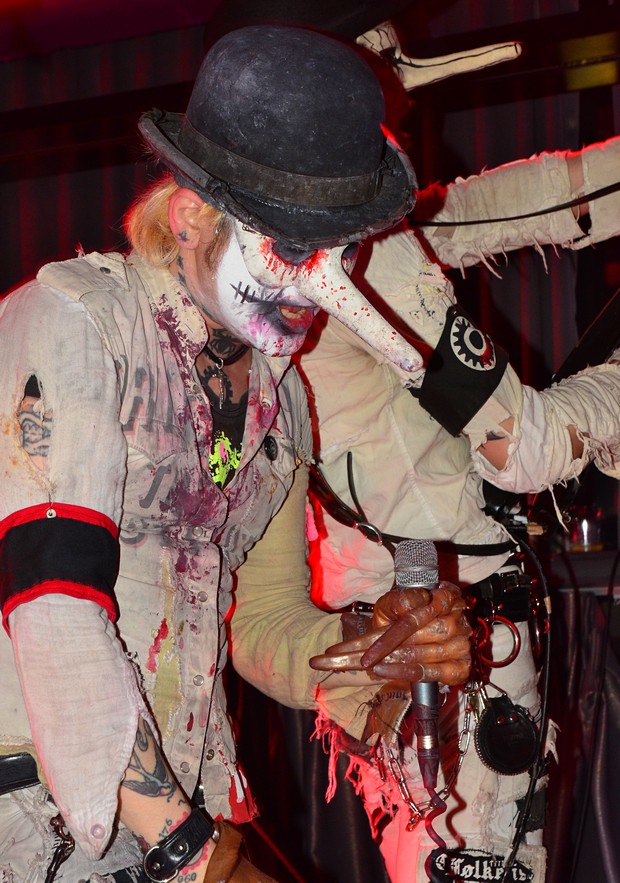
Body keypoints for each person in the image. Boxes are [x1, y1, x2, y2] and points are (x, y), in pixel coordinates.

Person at [0, 24, 469, 883]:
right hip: (33, 825)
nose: (321, 285)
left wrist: (375, 647)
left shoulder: (281, 400)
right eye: (291, 246)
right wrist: (194, 851)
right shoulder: (76, 323)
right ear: (190, 219)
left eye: (343, 250)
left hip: (179, 815)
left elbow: (262, 622)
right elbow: (52, 605)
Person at [229, 31, 620, 881]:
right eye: (382, 49)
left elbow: (524, 202)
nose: (403, 82)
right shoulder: (350, 246)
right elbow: (525, 449)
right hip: (444, 668)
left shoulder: (305, 242)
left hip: (432, 669)